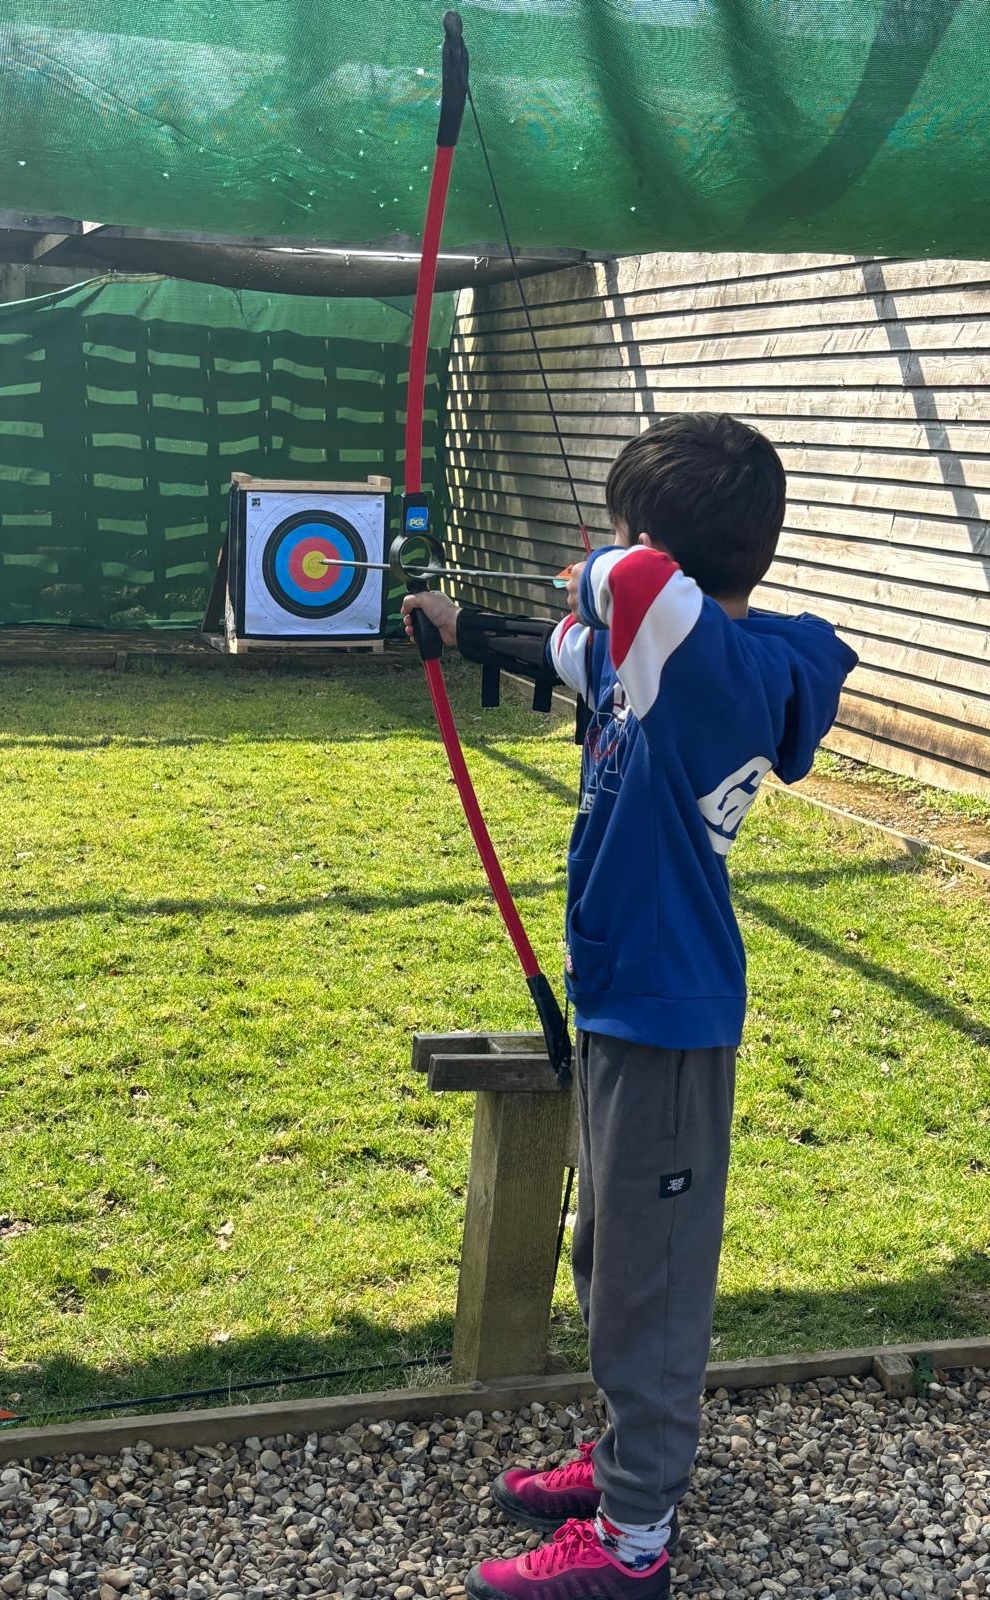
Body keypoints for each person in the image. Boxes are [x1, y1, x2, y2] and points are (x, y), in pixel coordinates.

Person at [402, 413, 858, 1600]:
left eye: (618, 532)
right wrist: (461, 628)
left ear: (653, 547)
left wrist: (604, 565)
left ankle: (634, 1540)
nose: (604, 556)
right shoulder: (669, 661)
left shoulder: (711, 670)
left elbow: (635, 590)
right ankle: (624, 1466)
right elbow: (572, 651)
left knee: (649, 1292)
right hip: (628, 1001)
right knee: (610, 1255)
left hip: (667, 1016)